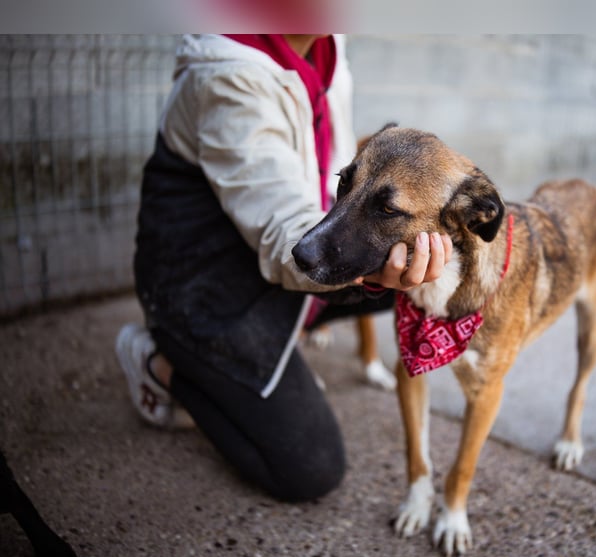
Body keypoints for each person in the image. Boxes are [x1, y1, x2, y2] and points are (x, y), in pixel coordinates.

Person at [115, 34, 452, 502]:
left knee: (410, 272)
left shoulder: (327, 48)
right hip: (199, 284)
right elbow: (283, 235)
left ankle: (283, 335)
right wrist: (365, 270)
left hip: (276, 255)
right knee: (310, 470)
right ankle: (159, 363)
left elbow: (332, 181)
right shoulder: (227, 73)